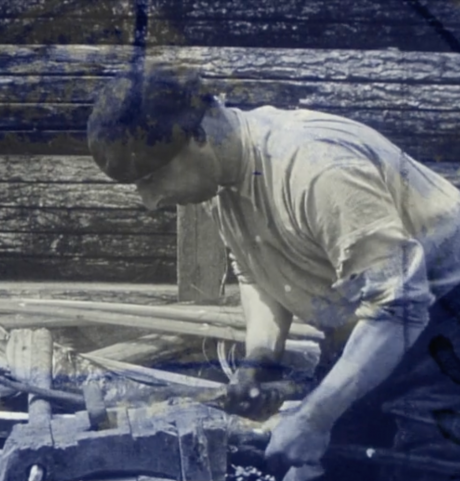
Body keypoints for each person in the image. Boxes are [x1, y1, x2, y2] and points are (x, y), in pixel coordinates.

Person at [86, 62, 460, 481]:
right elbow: (256, 274)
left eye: (152, 179)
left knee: (422, 469)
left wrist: (314, 418)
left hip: (444, 324)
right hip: (378, 330)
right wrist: (260, 360)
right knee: (316, 467)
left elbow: (399, 307)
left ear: (199, 137)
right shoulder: (222, 181)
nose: (150, 201)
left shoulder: (316, 168)